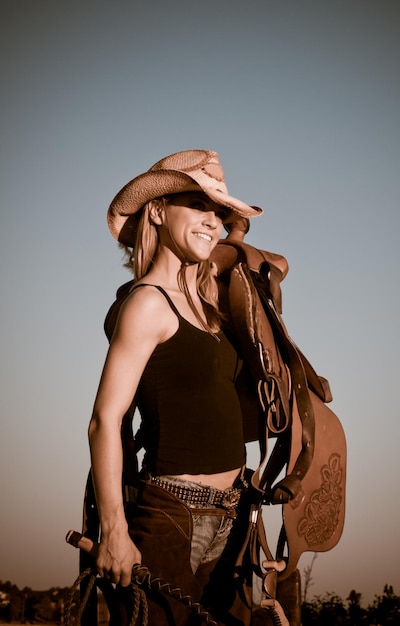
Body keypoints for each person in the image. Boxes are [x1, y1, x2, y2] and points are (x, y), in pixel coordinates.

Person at [88, 150, 263, 625]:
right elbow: (105, 420)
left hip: (234, 514)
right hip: (173, 514)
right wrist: (114, 531)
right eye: (199, 205)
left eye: (220, 212)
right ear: (159, 211)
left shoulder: (211, 309)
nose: (214, 222)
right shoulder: (148, 304)